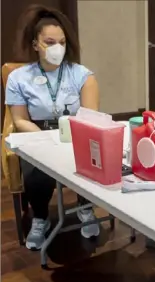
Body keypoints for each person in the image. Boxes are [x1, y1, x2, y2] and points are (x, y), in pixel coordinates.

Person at [6, 5, 100, 250]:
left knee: (89, 161)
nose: (57, 48)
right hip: (37, 131)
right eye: (49, 42)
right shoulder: (19, 78)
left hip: (77, 128)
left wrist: (72, 138)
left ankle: (85, 208)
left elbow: (90, 116)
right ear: (36, 44)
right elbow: (19, 120)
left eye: (62, 42)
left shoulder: (81, 75)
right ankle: (40, 217)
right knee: (35, 174)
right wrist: (47, 141)